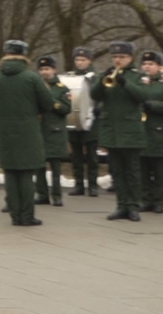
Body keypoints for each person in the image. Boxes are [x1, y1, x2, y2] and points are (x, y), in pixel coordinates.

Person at [0, 40, 54, 226]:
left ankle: (15, 216)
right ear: (24, 55)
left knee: (10, 174)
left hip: (4, 132)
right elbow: (48, 104)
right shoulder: (32, 78)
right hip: (28, 132)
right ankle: (27, 216)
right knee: (25, 175)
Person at [89, 42, 147, 222]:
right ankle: (121, 206)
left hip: (130, 130)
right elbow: (95, 95)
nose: (117, 60)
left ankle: (133, 206)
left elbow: (142, 96)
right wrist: (101, 80)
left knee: (133, 171)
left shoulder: (139, 76)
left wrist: (125, 83)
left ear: (130, 58)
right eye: (115, 57)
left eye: (121, 57)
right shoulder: (107, 75)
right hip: (111, 130)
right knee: (117, 171)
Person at [136, 52, 163, 213]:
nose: (147, 67)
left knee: (160, 172)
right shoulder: (139, 84)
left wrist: (152, 105)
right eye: (145, 64)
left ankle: (159, 202)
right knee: (143, 170)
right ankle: (145, 199)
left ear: (159, 67)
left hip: (159, 133)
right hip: (141, 132)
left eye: (151, 64)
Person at [61, 47, 100, 197]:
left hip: (91, 122)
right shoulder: (71, 77)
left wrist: (97, 108)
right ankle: (79, 185)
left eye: (83, 60)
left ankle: (92, 185)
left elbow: (102, 95)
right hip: (74, 120)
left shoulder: (95, 77)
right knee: (76, 155)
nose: (80, 63)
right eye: (77, 60)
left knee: (91, 156)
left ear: (90, 60)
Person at [36, 56, 70, 206]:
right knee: (39, 167)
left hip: (54, 131)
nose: (44, 72)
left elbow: (66, 109)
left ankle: (57, 196)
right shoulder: (35, 85)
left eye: (47, 69)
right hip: (38, 130)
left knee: (56, 168)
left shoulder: (62, 88)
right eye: (42, 69)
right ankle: (42, 195)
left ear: (54, 70)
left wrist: (51, 101)